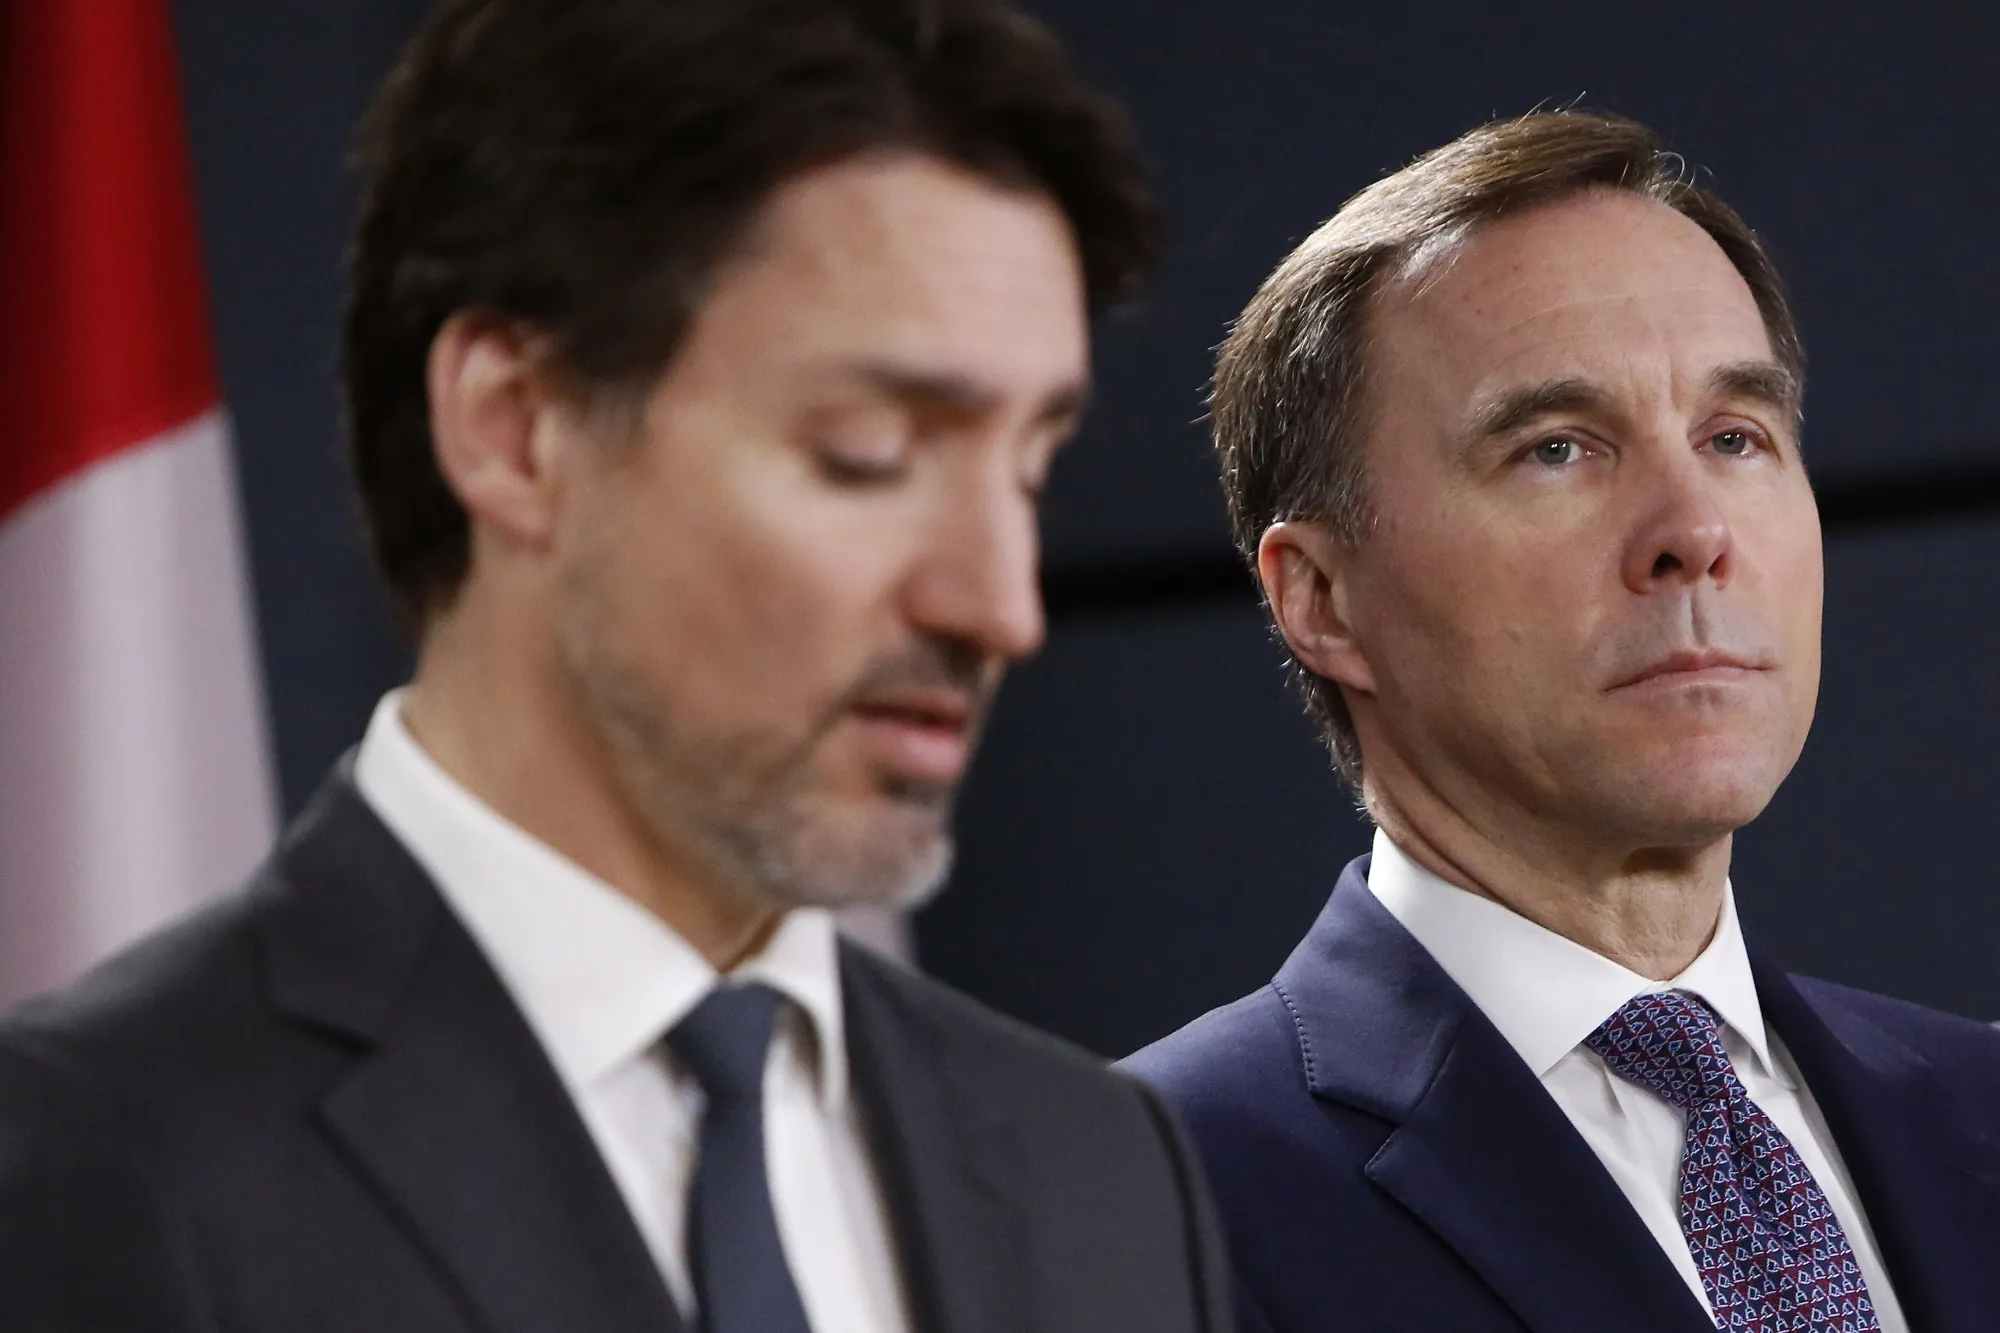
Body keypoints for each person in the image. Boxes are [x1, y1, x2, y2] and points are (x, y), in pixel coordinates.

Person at [0, 2, 1234, 1330]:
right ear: (516, 429)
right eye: (867, 452)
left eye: (1031, 471)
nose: (999, 606)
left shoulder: (1108, 1168)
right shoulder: (93, 1156)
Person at [1124, 110, 2000, 1333]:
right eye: (1555, 450)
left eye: (1734, 436)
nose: (1694, 532)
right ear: (1320, 601)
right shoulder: (1135, 1205)